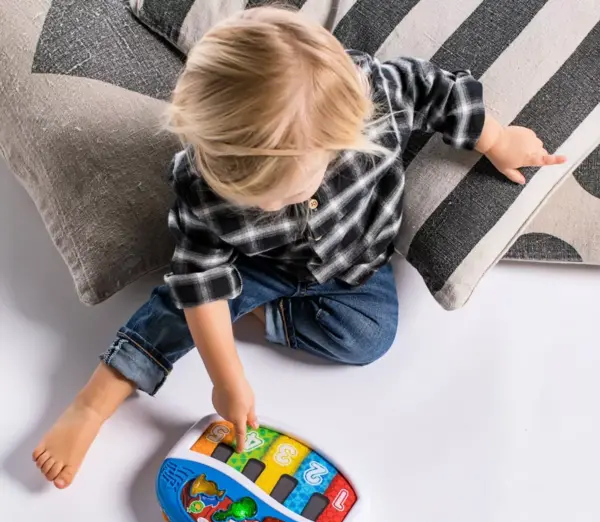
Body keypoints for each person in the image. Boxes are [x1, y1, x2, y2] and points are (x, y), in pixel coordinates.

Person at [32, 7, 566, 489]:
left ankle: (243, 313)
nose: (269, 209)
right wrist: (227, 378)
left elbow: (438, 92)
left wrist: (496, 139)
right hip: (262, 265)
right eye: (251, 200)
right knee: (183, 302)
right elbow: (200, 276)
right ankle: (93, 402)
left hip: (357, 260)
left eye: (284, 195)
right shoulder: (201, 184)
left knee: (370, 338)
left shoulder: (372, 94)